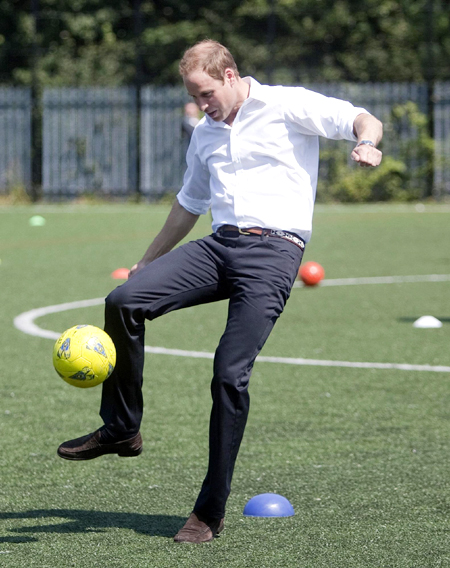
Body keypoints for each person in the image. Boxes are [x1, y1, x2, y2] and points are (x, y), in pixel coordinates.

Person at [58, 39, 383, 543]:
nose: (202, 106)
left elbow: (363, 119)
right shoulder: (205, 134)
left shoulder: (287, 104)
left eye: (206, 94)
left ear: (229, 75)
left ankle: (209, 511)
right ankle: (122, 427)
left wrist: (367, 143)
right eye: (195, 96)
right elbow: (188, 204)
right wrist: (148, 261)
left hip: (274, 253)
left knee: (229, 374)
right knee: (124, 300)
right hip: (218, 246)